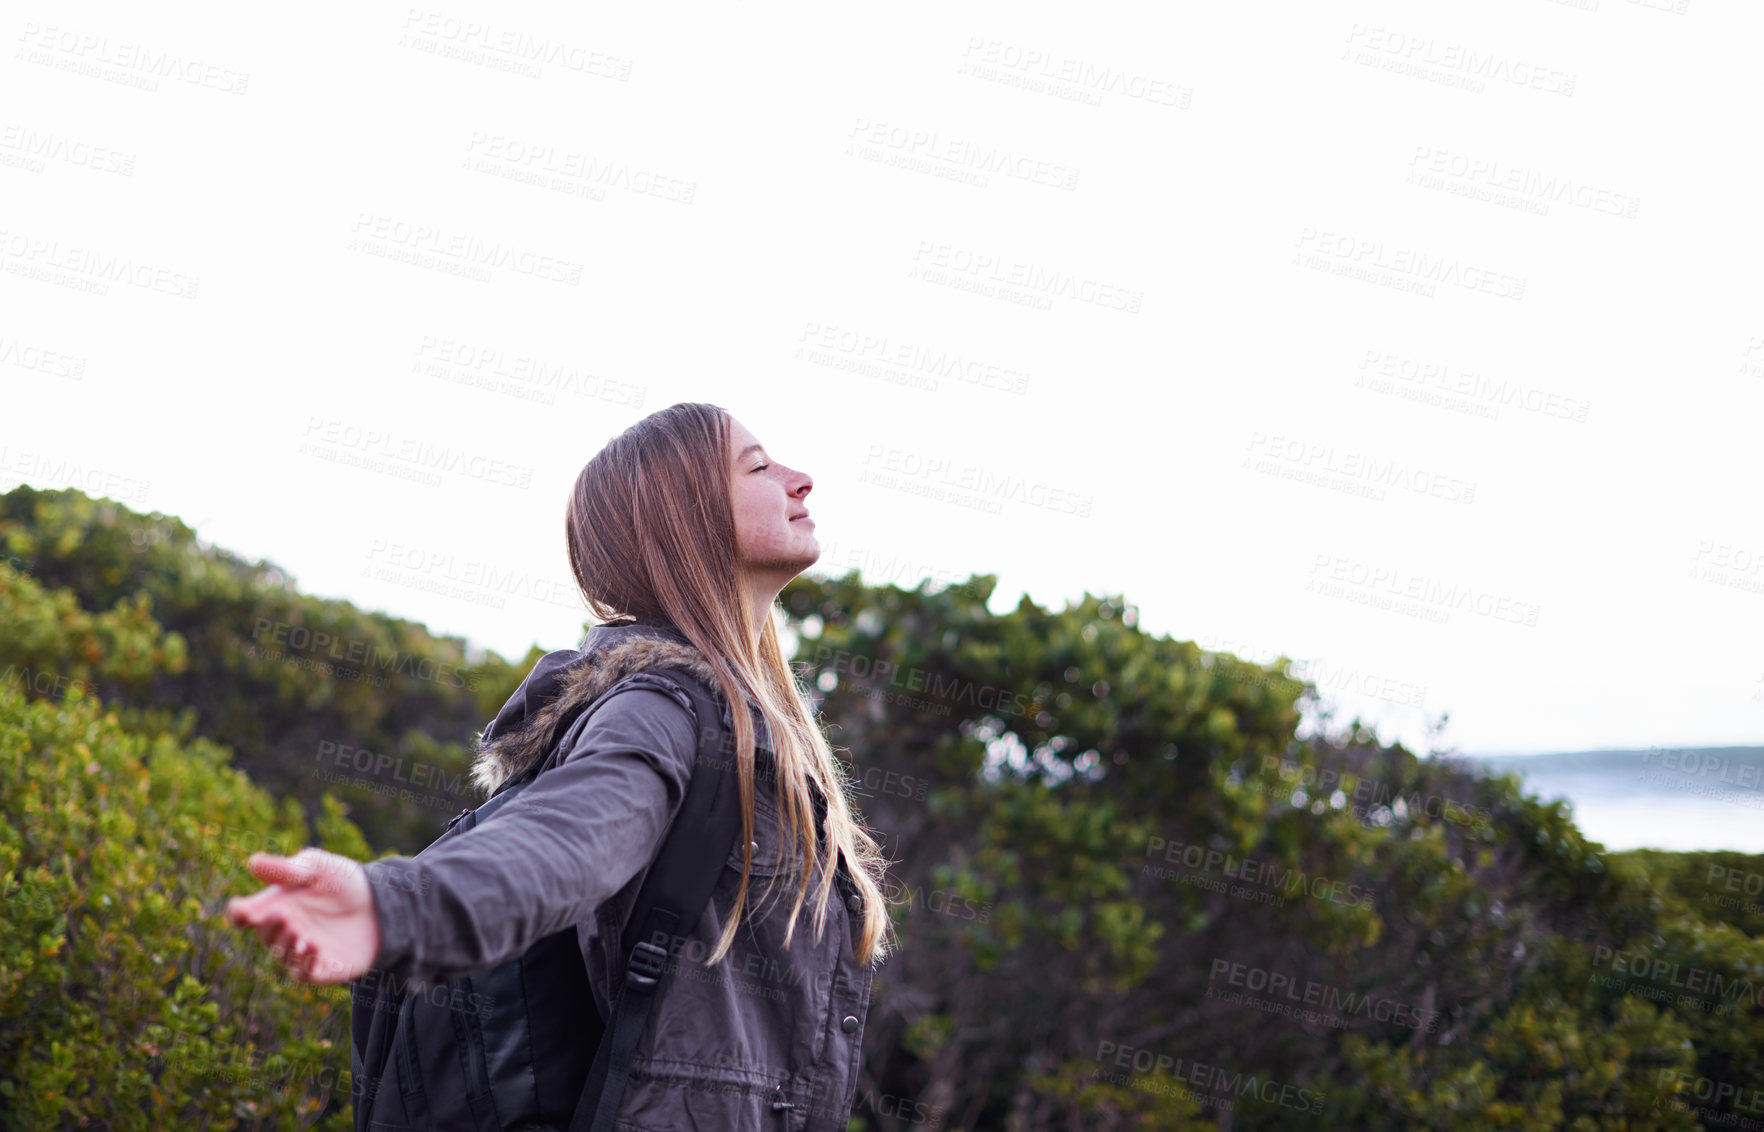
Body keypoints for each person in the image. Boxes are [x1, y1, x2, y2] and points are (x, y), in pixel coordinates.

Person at [227, 402, 896, 1130]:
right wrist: (394, 907)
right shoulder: (661, 710)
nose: (801, 481)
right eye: (760, 467)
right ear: (685, 517)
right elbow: (561, 845)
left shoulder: (753, 727)